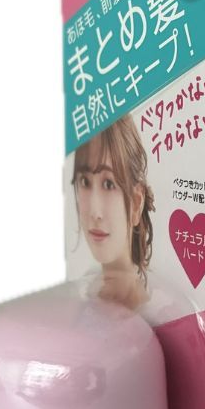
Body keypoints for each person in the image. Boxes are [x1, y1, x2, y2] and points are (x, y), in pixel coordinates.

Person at [71, 114, 155, 311]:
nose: (95, 212)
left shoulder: (151, 315)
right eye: (85, 181)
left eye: (109, 184)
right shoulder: (86, 296)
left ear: (136, 202)